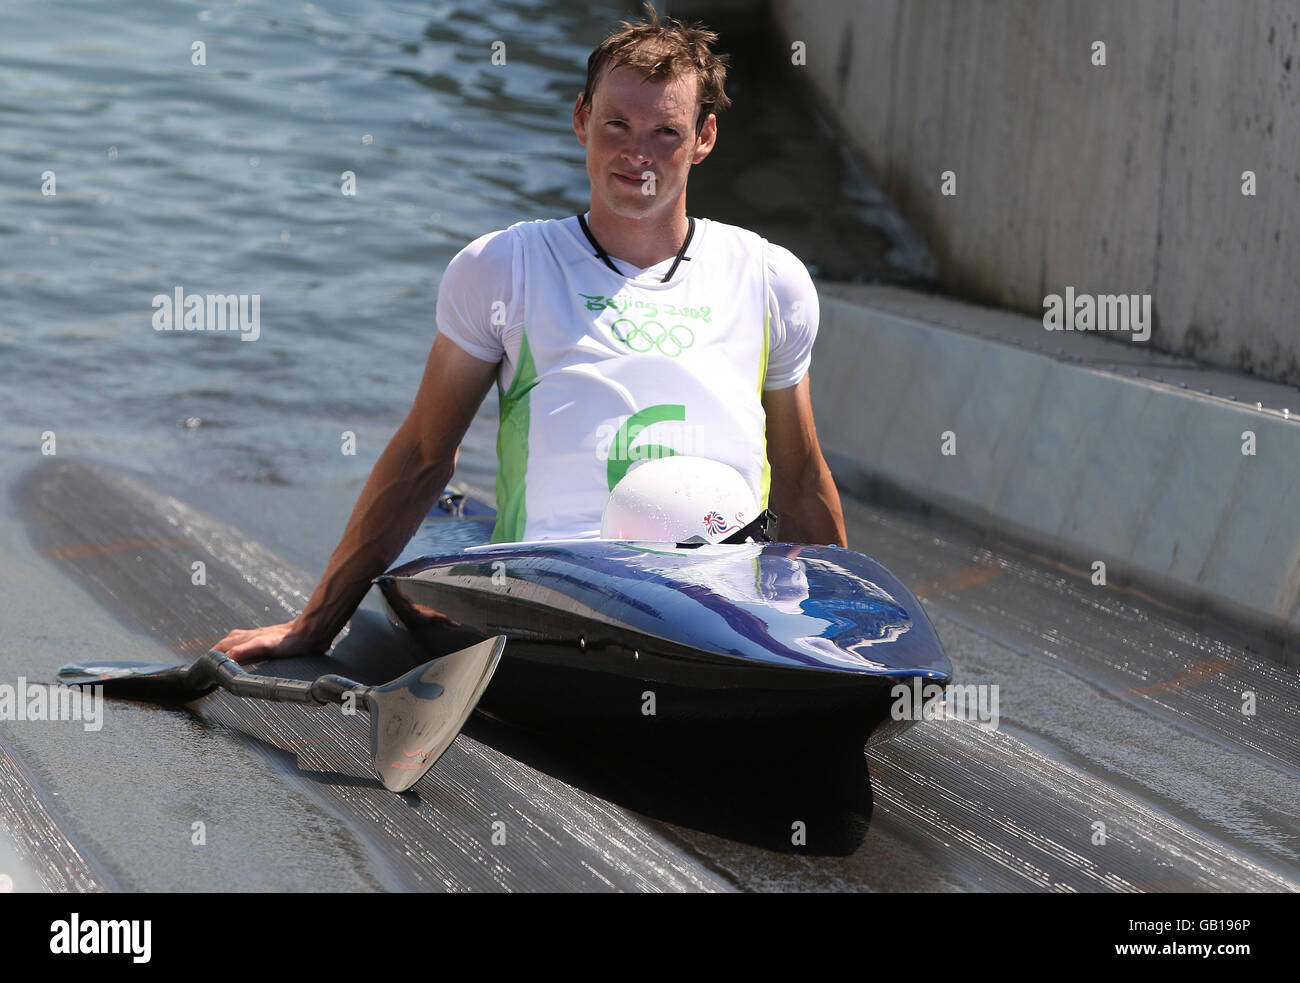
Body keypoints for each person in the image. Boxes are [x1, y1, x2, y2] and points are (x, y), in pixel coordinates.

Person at [216, 5, 845, 662]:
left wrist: (836, 644)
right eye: (617, 125)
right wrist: (314, 624)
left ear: (704, 137)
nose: (637, 154)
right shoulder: (503, 268)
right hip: (553, 602)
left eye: (665, 132)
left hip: (725, 600)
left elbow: (800, 476)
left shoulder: (770, 278)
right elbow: (423, 454)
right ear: (580, 120)